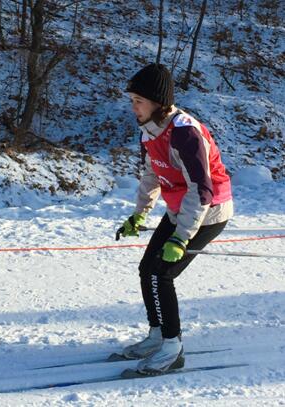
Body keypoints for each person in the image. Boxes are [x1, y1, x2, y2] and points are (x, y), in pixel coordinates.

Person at [116, 63, 233, 375]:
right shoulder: (150, 132)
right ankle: (157, 336)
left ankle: (173, 348)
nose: (133, 107)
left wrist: (181, 238)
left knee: (161, 274)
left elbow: (202, 190)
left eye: (138, 101)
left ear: (158, 103)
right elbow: (151, 177)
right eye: (131, 100)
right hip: (180, 208)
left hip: (208, 211)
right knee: (147, 269)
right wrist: (137, 216)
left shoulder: (185, 133)